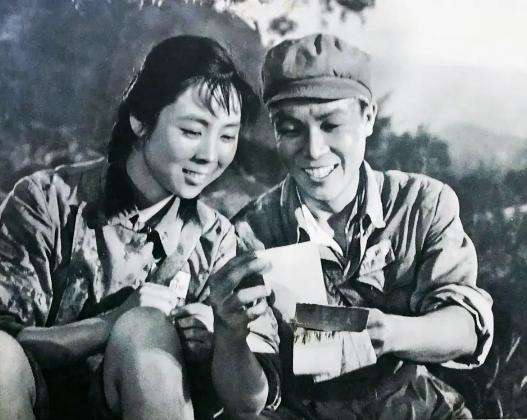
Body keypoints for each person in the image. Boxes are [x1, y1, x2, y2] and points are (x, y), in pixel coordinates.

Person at [0, 35, 280, 420]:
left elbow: (251, 402)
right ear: (140, 120)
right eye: (192, 131)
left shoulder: (216, 243)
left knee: (147, 330)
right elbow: (8, 343)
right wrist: (109, 323)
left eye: (227, 136)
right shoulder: (48, 202)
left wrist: (225, 340)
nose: (210, 155)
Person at [232, 33, 494, 419]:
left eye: (331, 125)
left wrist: (390, 333)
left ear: (368, 117)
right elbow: (251, 391)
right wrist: (230, 332)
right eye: (290, 129)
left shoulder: (422, 204)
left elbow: (466, 327)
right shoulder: (252, 232)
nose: (314, 150)